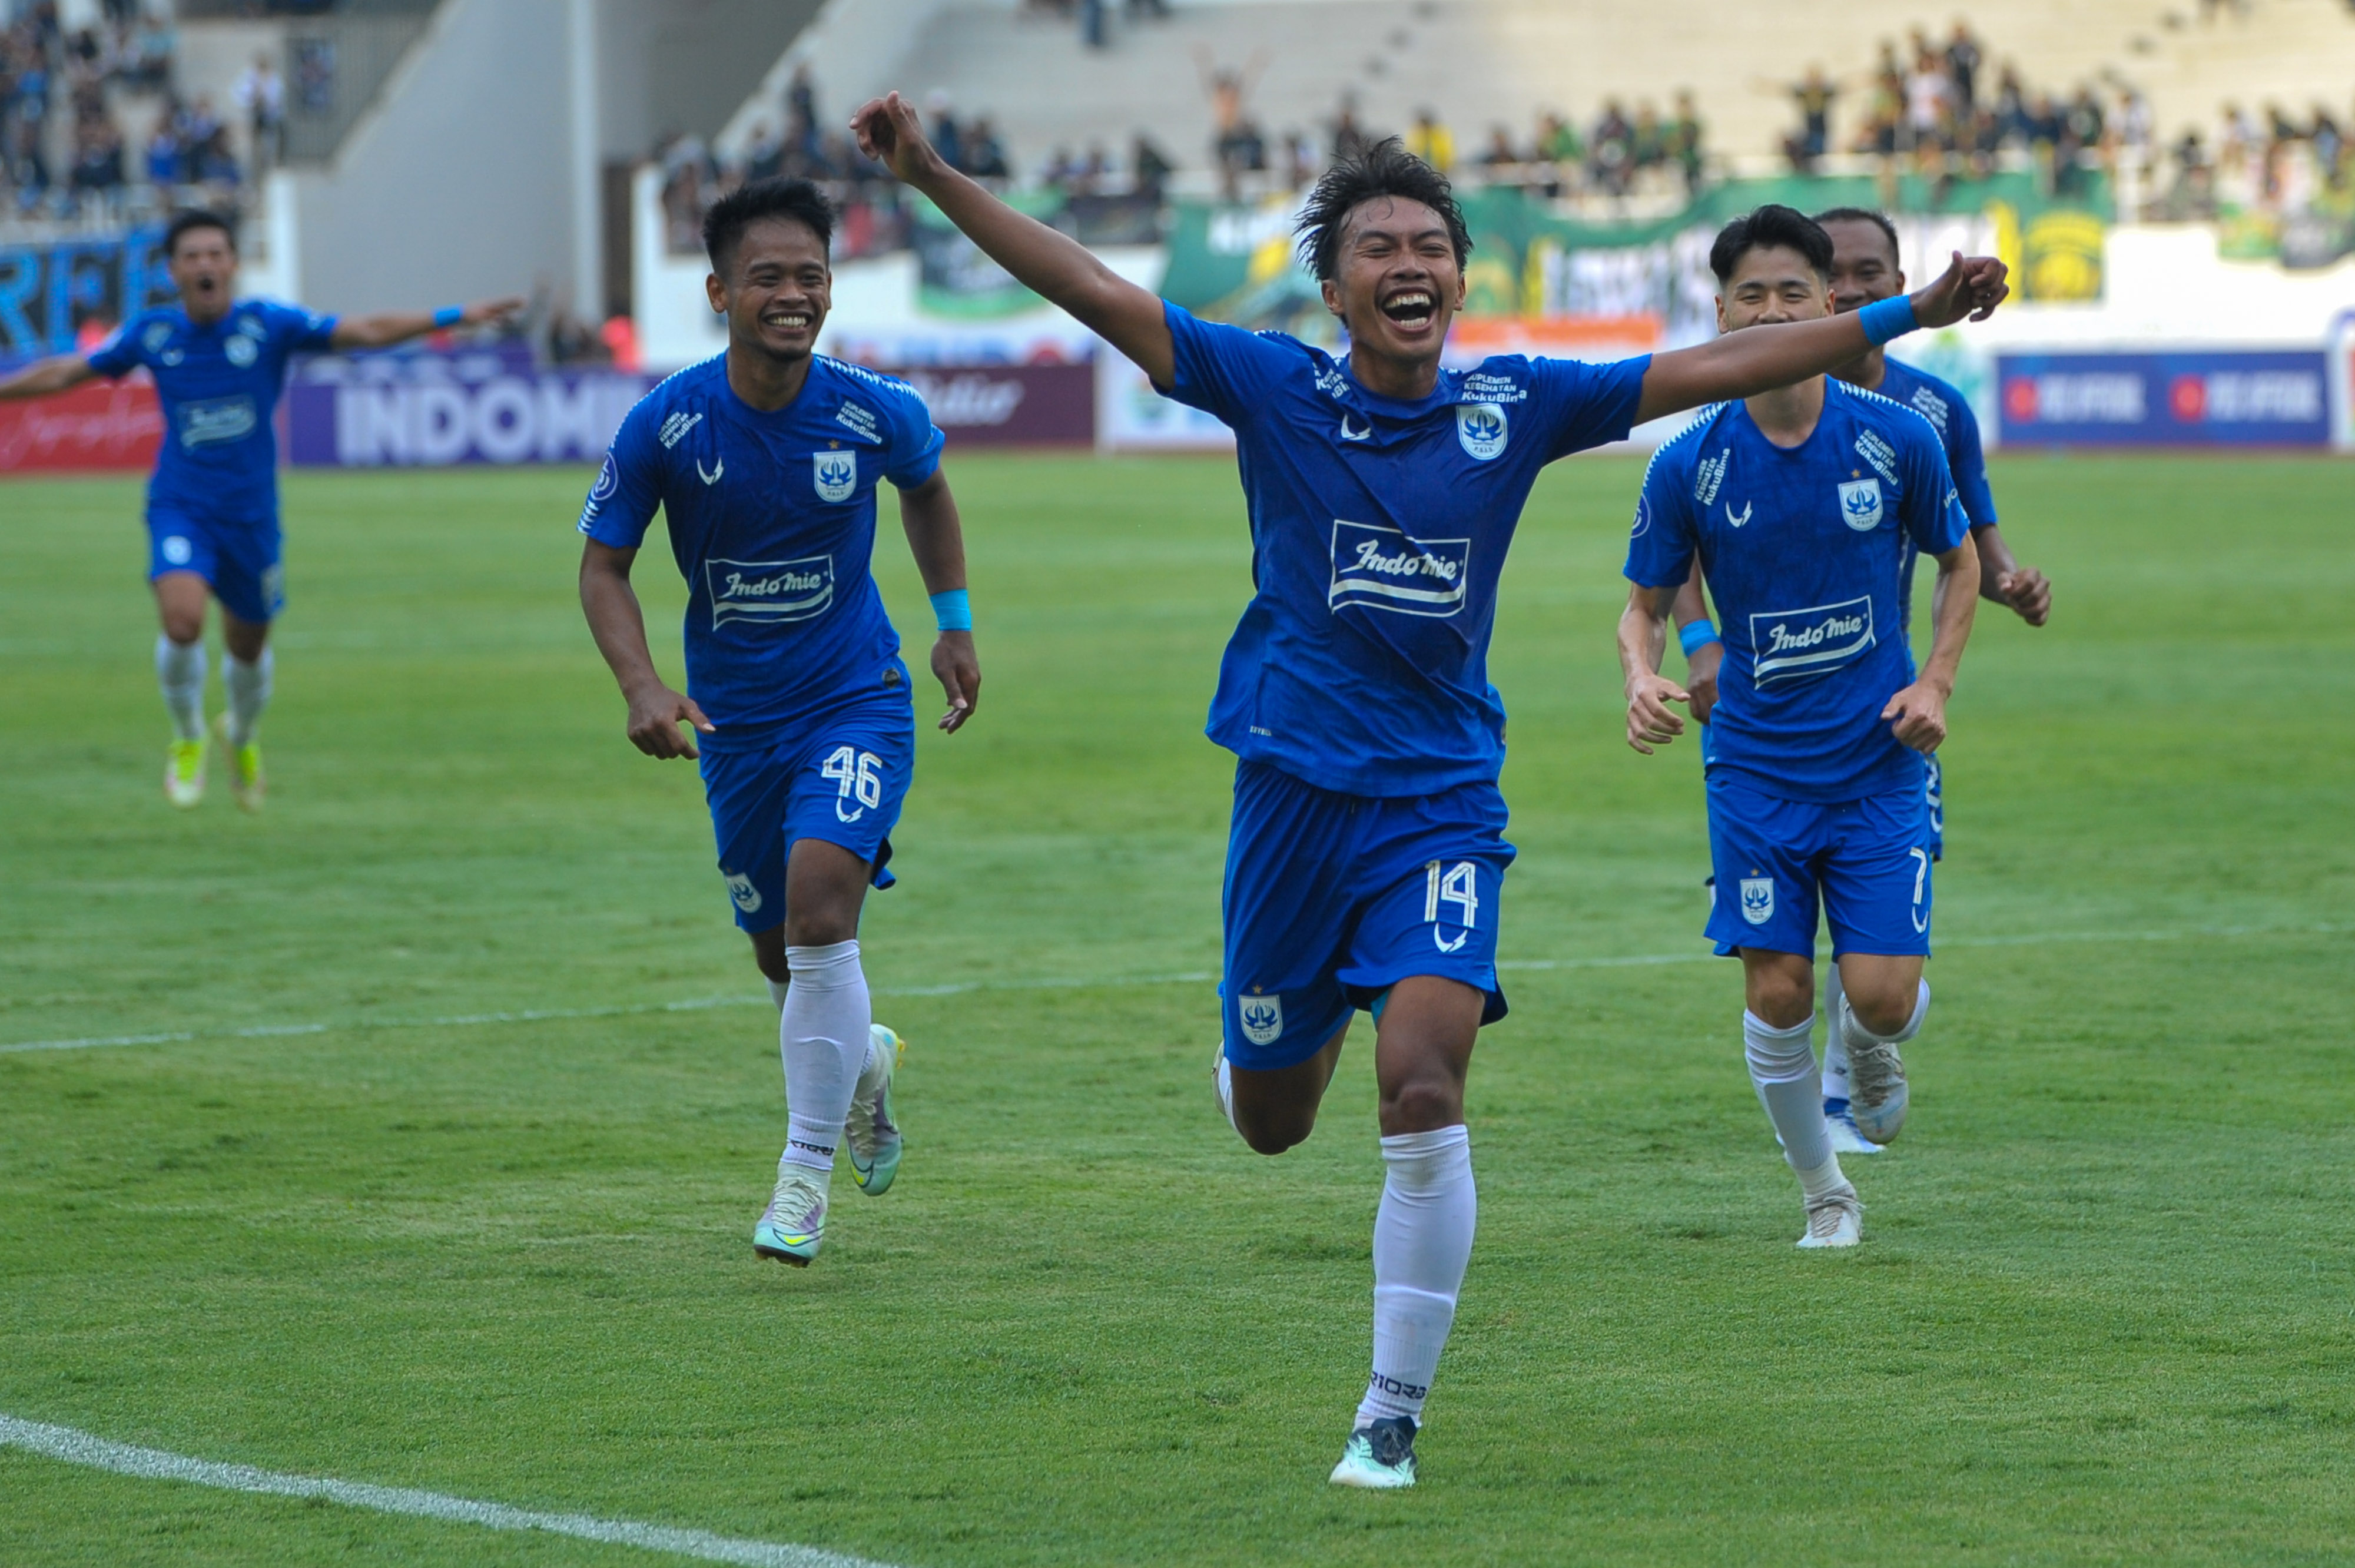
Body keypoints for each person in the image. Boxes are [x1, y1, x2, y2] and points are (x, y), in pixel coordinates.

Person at [849, 94, 2006, 1487]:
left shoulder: (1514, 404)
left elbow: (1714, 364)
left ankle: (1387, 1415)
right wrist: (928, 175)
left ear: (1460, 277)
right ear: (1333, 287)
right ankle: (1261, 1046)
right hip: (1288, 796)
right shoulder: (1271, 387)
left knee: (1421, 1085)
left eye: (1430, 243)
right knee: (1274, 1121)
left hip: (1441, 800)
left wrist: (1905, 315)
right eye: (1376, 244)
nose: (1407, 261)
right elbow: (1088, 284)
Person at [576, 177, 980, 1269]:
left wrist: (953, 623)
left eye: (811, 275)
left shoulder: (869, 408)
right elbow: (602, 567)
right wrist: (641, 685)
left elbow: (928, 487)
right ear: (719, 291)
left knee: (817, 914)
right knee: (779, 950)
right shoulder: (668, 420)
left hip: (855, 699)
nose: (793, 296)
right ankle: (863, 1069)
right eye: (768, 277)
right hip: (734, 725)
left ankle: (801, 1185)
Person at [1620, 205, 1982, 1248]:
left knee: (1878, 994)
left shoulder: (1898, 439)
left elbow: (1958, 563)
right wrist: (1646, 672)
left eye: (1793, 292)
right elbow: (1643, 600)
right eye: (1750, 293)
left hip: (1878, 761)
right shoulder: (1687, 461)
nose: (1771, 309)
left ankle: (1872, 1041)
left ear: (1830, 304)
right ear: (1720, 310)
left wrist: (1938, 683)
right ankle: (1827, 1190)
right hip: (1755, 769)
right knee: (1779, 992)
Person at [1671, 205, 2051, 1155]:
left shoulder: (1926, 416)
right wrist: (1701, 642)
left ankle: (1867, 1043)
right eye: (1838, 272)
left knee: (1881, 976)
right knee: (1790, 961)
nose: (1859, 288)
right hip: (1769, 718)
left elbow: (1973, 548)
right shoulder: (1722, 420)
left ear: (1865, 288)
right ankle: (1844, 1085)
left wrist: (2004, 585)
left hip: (1885, 708)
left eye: (1872, 272)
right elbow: (1672, 543)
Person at [0, 208, 521, 810]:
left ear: (231, 264)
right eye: (191, 255)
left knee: (247, 647)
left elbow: (365, 329)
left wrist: (452, 317)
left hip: (250, 515)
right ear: (173, 270)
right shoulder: (155, 334)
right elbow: (68, 369)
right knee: (182, 621)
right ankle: (189, 732)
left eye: (215, 253)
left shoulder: (268, 324)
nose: (204, 264)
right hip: (182, 504)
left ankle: (241, 734)